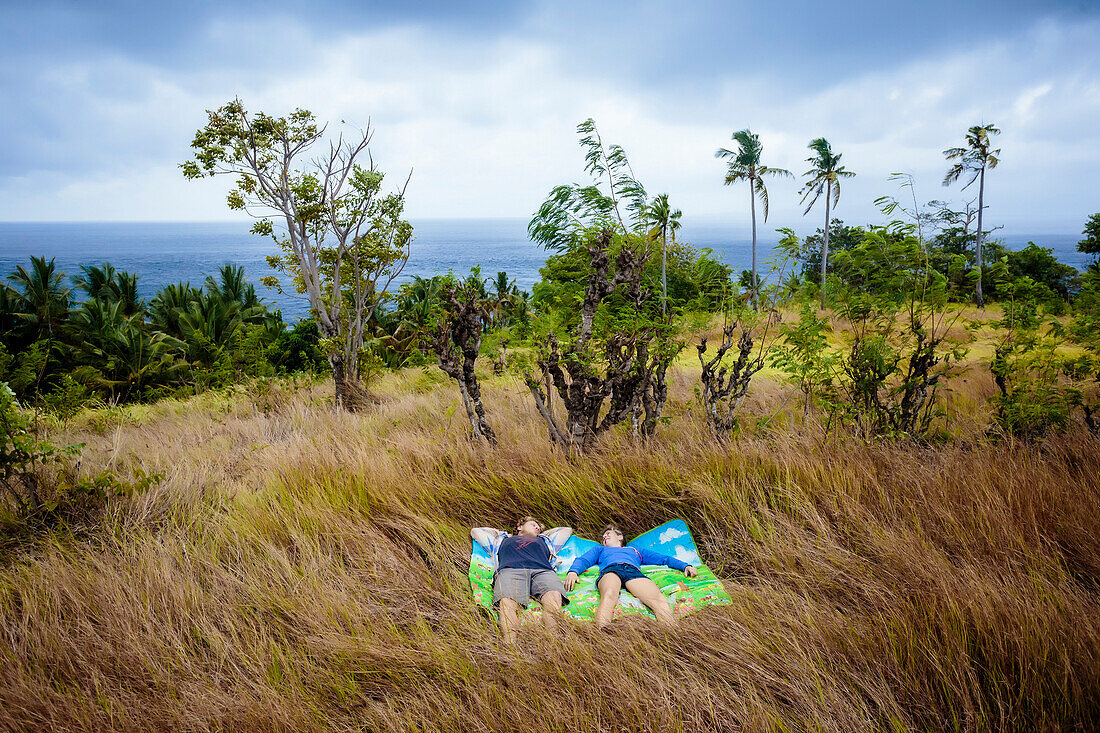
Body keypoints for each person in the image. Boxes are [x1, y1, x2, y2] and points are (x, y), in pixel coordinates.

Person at [564, 523, 698, 627]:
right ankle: (601, 635)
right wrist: (573, 571)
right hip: (611, 570)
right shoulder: (600, 549)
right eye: (603, 537)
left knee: (659, 601)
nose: (605, 537)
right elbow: (584, 560)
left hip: (632, 571)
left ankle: (672, 635)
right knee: (609, 594)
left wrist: (685, 565)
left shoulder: (634, 550)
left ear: (620, 536)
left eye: (608, 533)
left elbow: (663, 558)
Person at [470, 517, 571, 645]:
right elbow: (476, 531)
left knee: (553, 598)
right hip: (511, 569)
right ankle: (510, 647)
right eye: (533, 524)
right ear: (519, 527)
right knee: (507, 603)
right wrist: (502, 533)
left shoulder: (545, 541)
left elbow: (566, 530)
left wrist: (542, 534)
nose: (537, 528)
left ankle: (556, 644)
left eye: (538, 528)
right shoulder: (501, 540)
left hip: (543, 570)